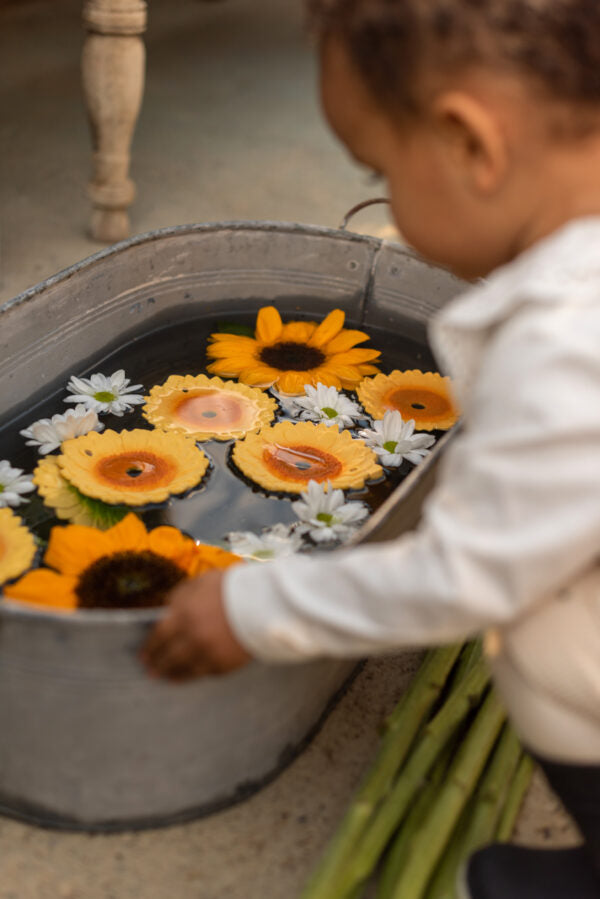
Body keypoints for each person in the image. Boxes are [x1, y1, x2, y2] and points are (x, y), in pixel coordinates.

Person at [141, 1, 600, 895]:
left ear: (473, 146)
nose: (384, 197)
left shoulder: (563, 346)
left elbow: (462, 576)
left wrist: (255, 608)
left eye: (381, 169)